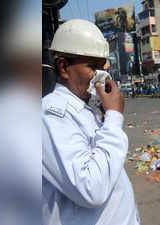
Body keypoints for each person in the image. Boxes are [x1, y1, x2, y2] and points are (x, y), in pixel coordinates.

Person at [42, 19, 140, 225]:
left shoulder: (86, 107)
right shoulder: (51, 115)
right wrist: (114, 117)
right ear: (64, 67)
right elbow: (90, 188)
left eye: (102, 67)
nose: (100, 75)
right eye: (92, 67)